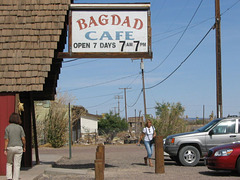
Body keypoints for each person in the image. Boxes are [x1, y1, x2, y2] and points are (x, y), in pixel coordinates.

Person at [4, 113, 26, 180]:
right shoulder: (20, 128)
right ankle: (15, 178)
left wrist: (5, 149)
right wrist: (24, 146)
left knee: (9, 163)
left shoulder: (7, 128)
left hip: (10, 147)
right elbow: (23, 139)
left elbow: (6, 140)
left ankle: (9, 177)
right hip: (18, 147)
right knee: (17, 164)